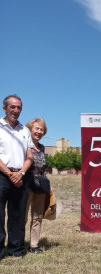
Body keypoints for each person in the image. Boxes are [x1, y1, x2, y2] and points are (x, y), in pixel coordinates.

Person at [0, 95, 34, 259]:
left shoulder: (25, 130)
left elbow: (29, 156)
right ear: (4, 108)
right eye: (12, 107)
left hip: (21, 177)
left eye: (19, 107)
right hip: (2, 176)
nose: (16, 110)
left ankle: (16, 250)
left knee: (18, 215)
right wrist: (8, 173)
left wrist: (20, 173)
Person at [26, 118, 50, 254]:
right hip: (27, 185)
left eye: (41, 129)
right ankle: (18, 243)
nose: (39, 132)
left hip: (40, 186)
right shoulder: (25, 146)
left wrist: (48, 185)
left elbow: (43, 169)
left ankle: (34, 245)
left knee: (37, 216)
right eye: (36, 128)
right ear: (30, 129)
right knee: (22, 216)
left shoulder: (41, 147)